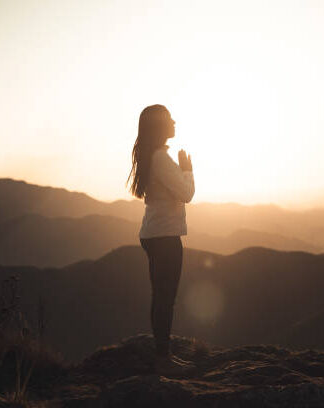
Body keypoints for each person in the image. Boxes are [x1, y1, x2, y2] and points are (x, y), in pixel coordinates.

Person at [126, 104, 196, 375]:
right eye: (169, 119)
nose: (174, 122)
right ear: (159, 126)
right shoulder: (160, 158)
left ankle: (162, 355)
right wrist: (188, 170)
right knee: (166, 297)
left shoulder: (151, 156)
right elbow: (187, 193)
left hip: (154, 233)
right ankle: (163, 359)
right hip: (164, 235)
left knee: (161, 296)